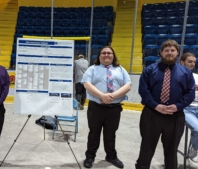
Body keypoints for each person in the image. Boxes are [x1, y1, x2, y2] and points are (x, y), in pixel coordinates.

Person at [136, 40, 195, 169]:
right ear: (161, 53)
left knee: (171, 149)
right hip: (152, 114)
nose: (169, 53)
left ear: (177, 53)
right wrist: (156, 105)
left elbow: (190, 93)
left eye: (172, 50)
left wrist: (178, 106)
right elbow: (143, 91)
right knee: (147, 147)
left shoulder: (186, 73)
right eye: (166, 50)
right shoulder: (149, 70)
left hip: (175, 116)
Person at [81, 46, 131, 168]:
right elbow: (86, 84)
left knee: (111, 134)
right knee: (94, 133)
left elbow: (127, 85)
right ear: (99, 56)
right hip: (96, 108)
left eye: (109, 53)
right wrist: (102, 96)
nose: (106, 55)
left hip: (114, 109)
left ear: (113, 56)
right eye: (103, 53)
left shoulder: (120, 69)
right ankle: (90, 156)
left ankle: (111, 156)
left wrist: (112, 96)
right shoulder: (92, 69)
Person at [180, 52, 198, 164]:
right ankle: (195, 151)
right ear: (182, 62)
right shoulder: (176, 77)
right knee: (197, 129)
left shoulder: (196, 76)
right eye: (189, 62)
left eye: (194, 62)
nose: (192, 64)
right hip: (186, 108)